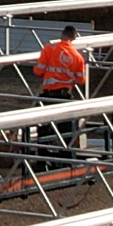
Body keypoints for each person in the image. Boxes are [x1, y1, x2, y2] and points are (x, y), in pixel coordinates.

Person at [31, 24, 89, 162]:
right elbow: (81, 80)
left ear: (62, 34)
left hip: (49, 95)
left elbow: (38, 71)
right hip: (65, 95)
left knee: (44, 126)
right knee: (66, 128)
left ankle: (43, 157)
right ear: (73, 38)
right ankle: (67, 156)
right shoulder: (77, 57)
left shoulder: (50, 49)